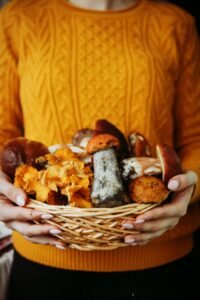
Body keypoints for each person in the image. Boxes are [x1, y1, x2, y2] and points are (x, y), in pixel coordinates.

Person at [0, 0, 200, 299]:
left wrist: (188, 189)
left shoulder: (174, 23)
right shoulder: (18, 19)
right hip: (46, 261)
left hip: (161, 262)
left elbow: (195, 138)